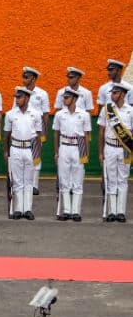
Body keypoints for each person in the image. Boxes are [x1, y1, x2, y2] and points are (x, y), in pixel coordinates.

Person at [4, 87, 43, 220]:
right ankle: (18, 209)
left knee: (28, 181)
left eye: (19, 97)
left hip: (30, 148)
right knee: (17, 181)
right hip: (15, 148)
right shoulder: (10, 114)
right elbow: (7, 135)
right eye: (16, 97)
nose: (17, 99)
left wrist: (38, 153)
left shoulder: (36, 114)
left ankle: (27, 209)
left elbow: (38, 135)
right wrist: (5, 151)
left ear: (26, 98)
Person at [53, 88, 91, 221]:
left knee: (77, 180)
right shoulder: (59, 114)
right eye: (64, 97)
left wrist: (86, 153)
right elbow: (56, 133)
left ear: (74, 99)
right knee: (64, 180)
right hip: (64, 146)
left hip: (78, 147)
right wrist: (57, 151)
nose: (64, 99)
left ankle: (76, 211)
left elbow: (86, 135)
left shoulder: (84, 114)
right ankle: (66, 211)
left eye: (67, 97)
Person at [98, 82, 133, 223]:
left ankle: (121, 212)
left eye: (115, 93)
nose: (112, 95)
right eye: (112, 93)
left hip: (125, 148)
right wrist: (101, 152)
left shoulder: (130, 110)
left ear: (123, 95)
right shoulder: (106, 109)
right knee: (110, 179)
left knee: (122, 180)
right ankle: (111, 212)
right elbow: (101, 131)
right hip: (110, 147)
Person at [21, 67, 50, 195]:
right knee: (22, 157)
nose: (24, 79)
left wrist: (44, 132)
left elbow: (45, 115)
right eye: (23, 76)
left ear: (33, 78)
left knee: (35, 156)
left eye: (26, 77)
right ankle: (22, 184)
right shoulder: (20, 92)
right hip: (21, 129)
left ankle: (34, 185)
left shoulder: (42, 94)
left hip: (36, 130)